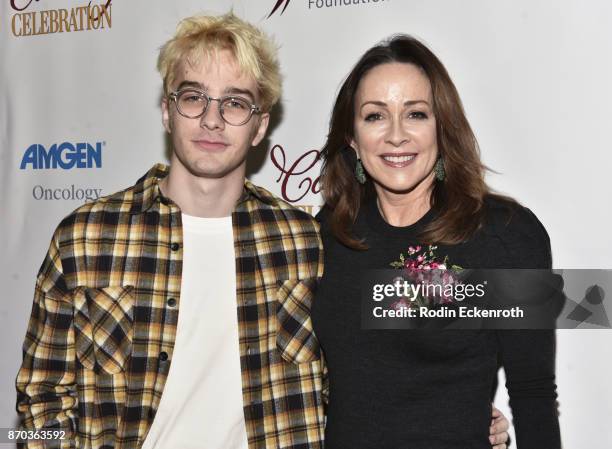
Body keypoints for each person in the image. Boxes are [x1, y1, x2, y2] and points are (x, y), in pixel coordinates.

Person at [15, 12, 509, 449]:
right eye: (193, 98)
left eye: (234, 103)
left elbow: (369, 361)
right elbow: (36, 402)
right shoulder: (85, 238)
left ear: (259, 126)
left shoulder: (305, 240)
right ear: (167, 111)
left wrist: (458, 408)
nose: (211, 119)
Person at [312, 35, 561, 449]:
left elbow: (532, 391)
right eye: (375, 116)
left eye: (416, 114)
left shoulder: (504, 235)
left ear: (442, 127)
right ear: (352, 139)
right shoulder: (324, 237)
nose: (396, 136)